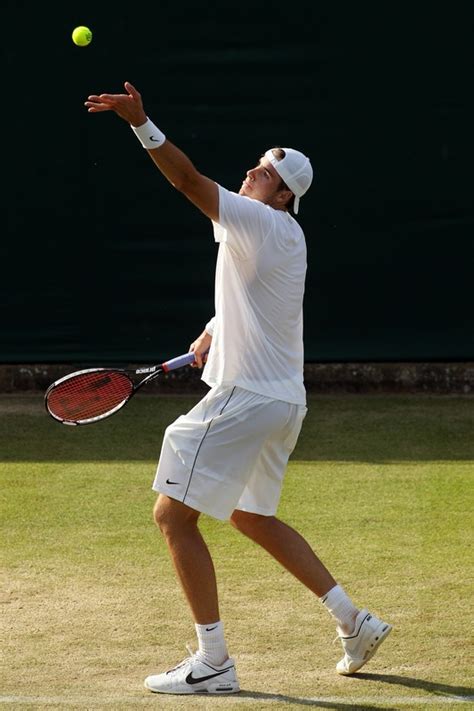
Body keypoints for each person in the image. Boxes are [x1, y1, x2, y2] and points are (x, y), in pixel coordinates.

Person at [85, 82, 392, 695]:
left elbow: (187, 182)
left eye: (262, 172)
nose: (249, 174)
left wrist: (142, 125)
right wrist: (211, 330)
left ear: (282, 195)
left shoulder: (260, 218)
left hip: (247, 395)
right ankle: (354, 622)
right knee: (253, 516)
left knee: (172, 515)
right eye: (254, 167)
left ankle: (213, 661)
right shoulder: (280, 237)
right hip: (283, 403)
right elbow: (255, 302)